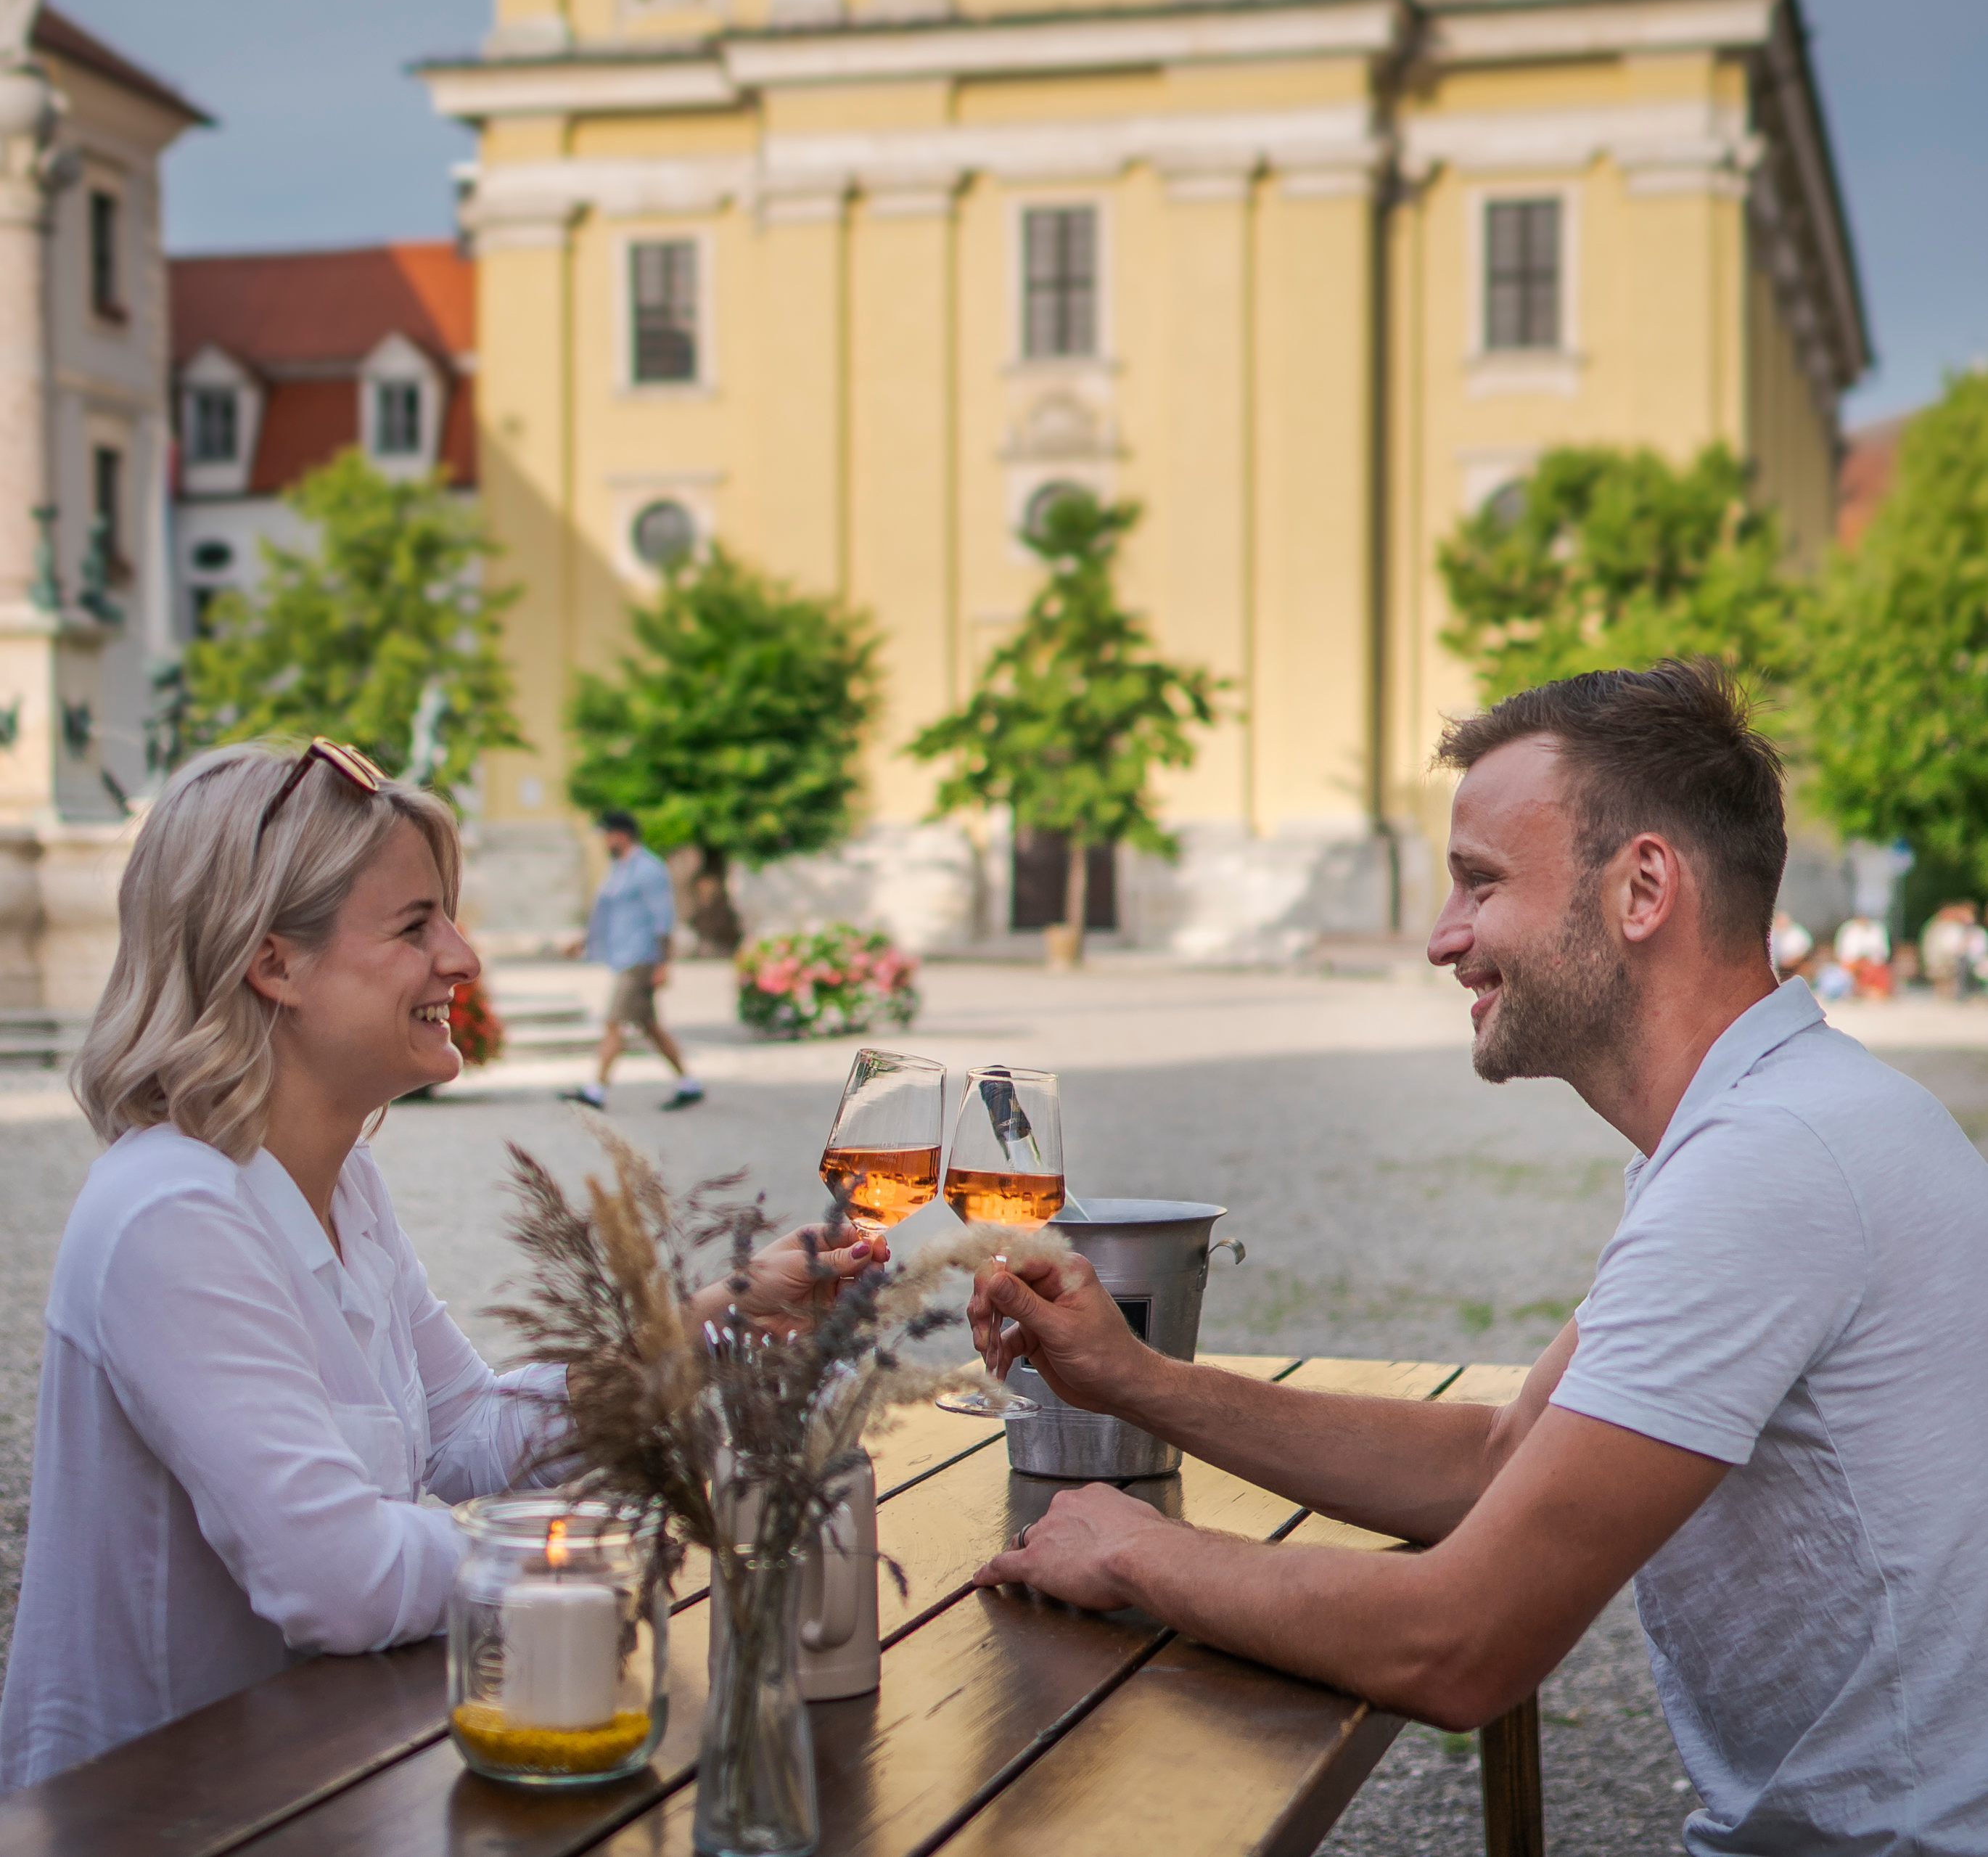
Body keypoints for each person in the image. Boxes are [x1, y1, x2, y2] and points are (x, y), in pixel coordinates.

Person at [968, 661, 1988, 1855]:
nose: (1445, 939)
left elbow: (1458, 1644)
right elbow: (1503, 1456)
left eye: (1479, 881)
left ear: (1643, 886)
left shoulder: (1770, 1164)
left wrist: (1138, 1547)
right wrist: (1132, 1378)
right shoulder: (1781, 1116)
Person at [0, 739, 879, 1795]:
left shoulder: (339, 1182)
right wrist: (584, 1547)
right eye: (416, 924)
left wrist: (716, 1314)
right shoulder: (172, 1211)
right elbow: (337, 1580)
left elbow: (467, 1434)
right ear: (273, 959)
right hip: (168, 1813)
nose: (463, 957)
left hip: (320, 1776)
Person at [562, 810, 701, 1111]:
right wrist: (586, 941)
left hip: (642, 958)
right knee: (649, 1026)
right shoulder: (620, 869)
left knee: (613, 1022)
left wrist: (664, 964)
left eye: (607, 835)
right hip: (624, 955)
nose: (603, 842)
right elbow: (609, 912)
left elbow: (663, 919)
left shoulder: (648, 869)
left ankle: (596, 1089)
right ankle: (689, 1083)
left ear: (621, 835)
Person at [1833, 910, 1892, 999]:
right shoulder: (1848, 929)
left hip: (1872, 964)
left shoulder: (1877, 929)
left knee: (1879, 973)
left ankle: (1870, 991)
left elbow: (1884, 953)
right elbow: (1841, 953)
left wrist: (1868, 961)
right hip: (1852, 964)